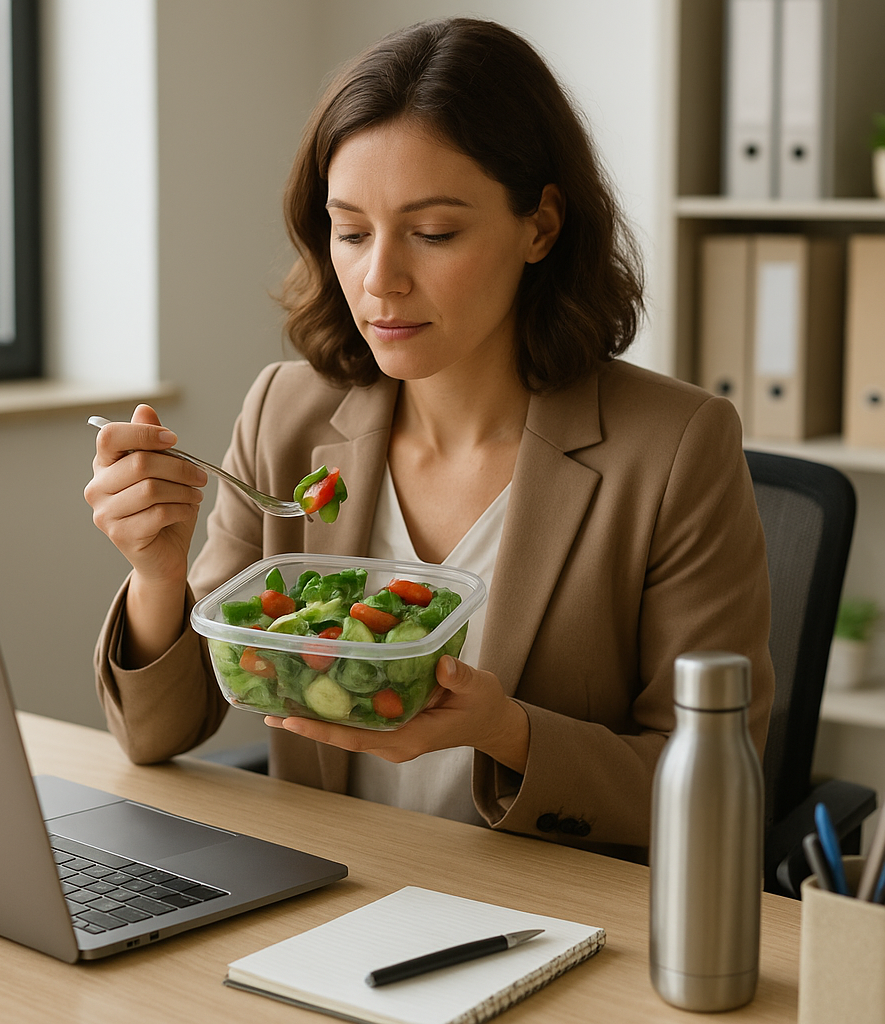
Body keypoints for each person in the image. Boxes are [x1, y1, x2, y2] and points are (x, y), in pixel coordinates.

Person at [85, 17, 773, 861]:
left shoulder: (675, 449)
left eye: (434, 233)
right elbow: (159, 735)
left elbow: (710, 788)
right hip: (326, 900)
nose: (379, 281)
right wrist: (158, 575)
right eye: (351, 231)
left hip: (556, 920)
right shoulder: (286, 413)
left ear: (541, 228)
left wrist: (509, 732)